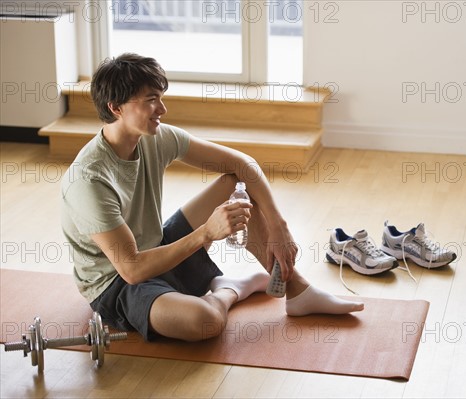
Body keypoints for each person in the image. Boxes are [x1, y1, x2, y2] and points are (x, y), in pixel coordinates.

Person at [61, 53, 363, 342]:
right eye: (151, 100)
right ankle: (230, 289)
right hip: (117, 285)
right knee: (205, 322)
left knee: (237, 183)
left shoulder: (156, 137)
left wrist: (278, 224)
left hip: (157, 247)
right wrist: (207, 232)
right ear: (117, 108)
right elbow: (132, 268)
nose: (162, 110)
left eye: (160, 98)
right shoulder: (89, 180)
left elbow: (242, 165)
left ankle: (298, 291)